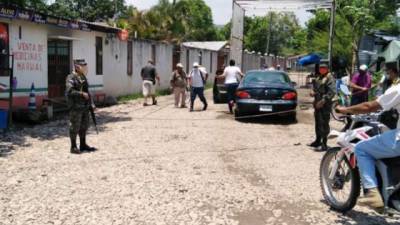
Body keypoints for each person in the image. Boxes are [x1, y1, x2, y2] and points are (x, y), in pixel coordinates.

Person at [335, 68, 400, 212]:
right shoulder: (365, 78)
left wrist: (345, 110)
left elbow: (368, 106)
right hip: (373, 102)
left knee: (361, 148)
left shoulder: (397, 88)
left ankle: (372, 192)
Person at [66, 59, 97, 154]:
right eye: (82, 66)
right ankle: (73, 147)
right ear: (76, 67)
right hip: (75, 107)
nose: (84, 68)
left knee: (84, 126)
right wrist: (81, 94)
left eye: (85, 66)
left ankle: (83, 145)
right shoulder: (71, 77)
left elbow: (88, 91)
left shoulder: (82, 77)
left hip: (84, 106)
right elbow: (69, 91)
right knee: (74, 126)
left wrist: (91, 103)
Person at [308, 65, 336, 151]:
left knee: (324, 123)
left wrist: (323, 100)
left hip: (325, 104)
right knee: (318, 122)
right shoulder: (319, 77)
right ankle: (317, 141)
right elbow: (315, 88)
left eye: (323, 68)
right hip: (317, 102)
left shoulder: (330, 78)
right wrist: (312, 91)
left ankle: (324, 143)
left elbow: (332, 92)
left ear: (327, 69)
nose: (321, 69)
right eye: (320, 68)